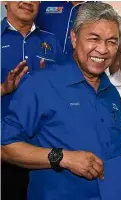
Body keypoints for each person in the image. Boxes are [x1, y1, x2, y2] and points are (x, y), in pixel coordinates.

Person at [1, 3, 121, 200]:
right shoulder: (40, 84)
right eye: (94, 39)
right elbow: (5, 147)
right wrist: (63, 158)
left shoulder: (111, 93)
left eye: (111, 41)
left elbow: (104, 143)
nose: (102, 49)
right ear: (74, 39)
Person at [1, 1, 63, 199]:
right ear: (5, 2)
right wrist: (3, 89)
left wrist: (49, 86)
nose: (28, 1)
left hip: (45, 152)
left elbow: (65, 92)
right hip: (4, 151)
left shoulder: (52, 42)